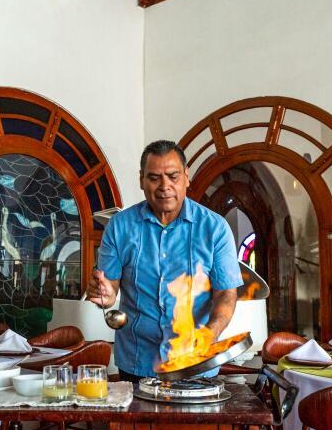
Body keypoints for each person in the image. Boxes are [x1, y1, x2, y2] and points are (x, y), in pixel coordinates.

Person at [87, 140, 243, 382]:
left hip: (195, 363)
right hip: (137, 362)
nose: (164, 186)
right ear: (141, 180)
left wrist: (210, 335)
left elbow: (226, 293)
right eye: (154, 178)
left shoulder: (215, 228)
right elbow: (110, 286)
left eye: (173, 176)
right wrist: (104, 295)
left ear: (186, 177)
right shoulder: (120, 226)